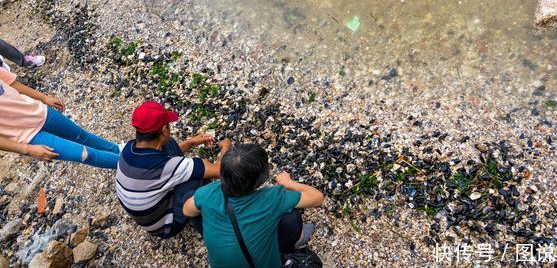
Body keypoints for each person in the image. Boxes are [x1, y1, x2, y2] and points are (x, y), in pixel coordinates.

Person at [183, 144, 324, 268]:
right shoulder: (272, 198)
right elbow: (317, 197)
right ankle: (292, 244)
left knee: (193, 204)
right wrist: (289, 183)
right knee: (291, 218)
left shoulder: (207, 192)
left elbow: (186, 210)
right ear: (261, 178)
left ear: (222, 173)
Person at [116, 101, 231, 239]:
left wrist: (193, 142)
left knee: (169, 144)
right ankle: (205, 226)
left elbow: (167, 156)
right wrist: (225, 148)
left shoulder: (129, 149)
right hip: (165, 227)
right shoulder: (165, 167)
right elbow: (219, 170)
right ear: (164, 130)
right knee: (198, 180)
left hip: (147, 216)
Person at [0, 68, 120, 168]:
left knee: (82, 136)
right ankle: (134, 169)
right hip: (26, 137)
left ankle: (123, 153)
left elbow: (11, 83)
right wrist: (26, 149)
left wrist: (44, 97)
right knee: (87, 155)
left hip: (39, 112)